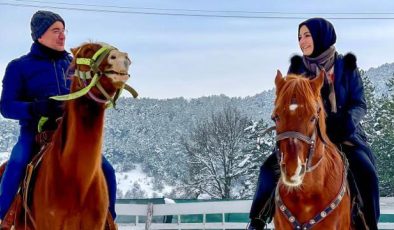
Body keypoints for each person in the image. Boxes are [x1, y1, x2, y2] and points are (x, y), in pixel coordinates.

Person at [248, 17, 380, 230]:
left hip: (344, 134)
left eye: (307, 35)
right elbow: (287, 104)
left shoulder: (346, 67)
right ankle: (257, 220)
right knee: (267, 169)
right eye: (299, 37)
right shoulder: (297, 69)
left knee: (366, 172)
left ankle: (369, 223)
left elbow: (359, 103)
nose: (302, 41)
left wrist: (347, 121)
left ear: (322, 36)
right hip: (305, 135)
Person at [0, 10, 117, 222]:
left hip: (71, 137)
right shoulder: (19, 67)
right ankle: (3, 217)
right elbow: (7, 107)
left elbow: (89, 94)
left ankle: (109, 220)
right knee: (16, 163)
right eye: (56, 31)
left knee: (107, 170)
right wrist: (36, 108)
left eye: (63, 30)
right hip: (34, 135)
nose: (62, 35)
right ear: (39, 35)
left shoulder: (74, 64)